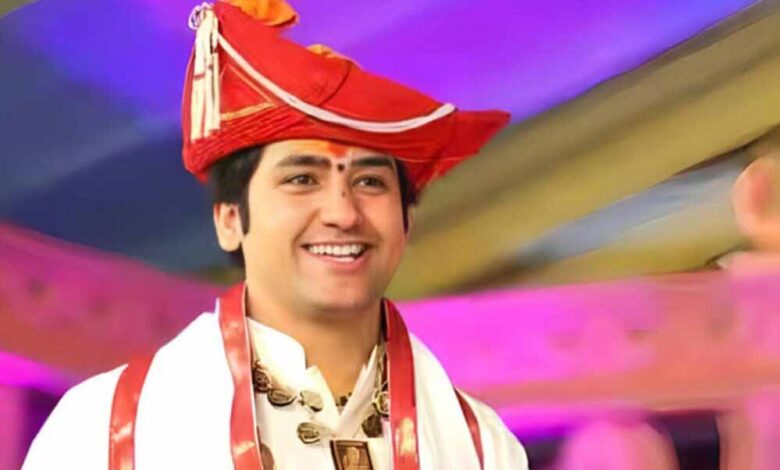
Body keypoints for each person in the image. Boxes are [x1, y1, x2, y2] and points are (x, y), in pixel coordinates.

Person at [23, 0, 528, 468]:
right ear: (228, 221)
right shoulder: (109, 428)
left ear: (406, 221)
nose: (342, 213)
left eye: (370, 182)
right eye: (302, 179)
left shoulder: (482, 446)